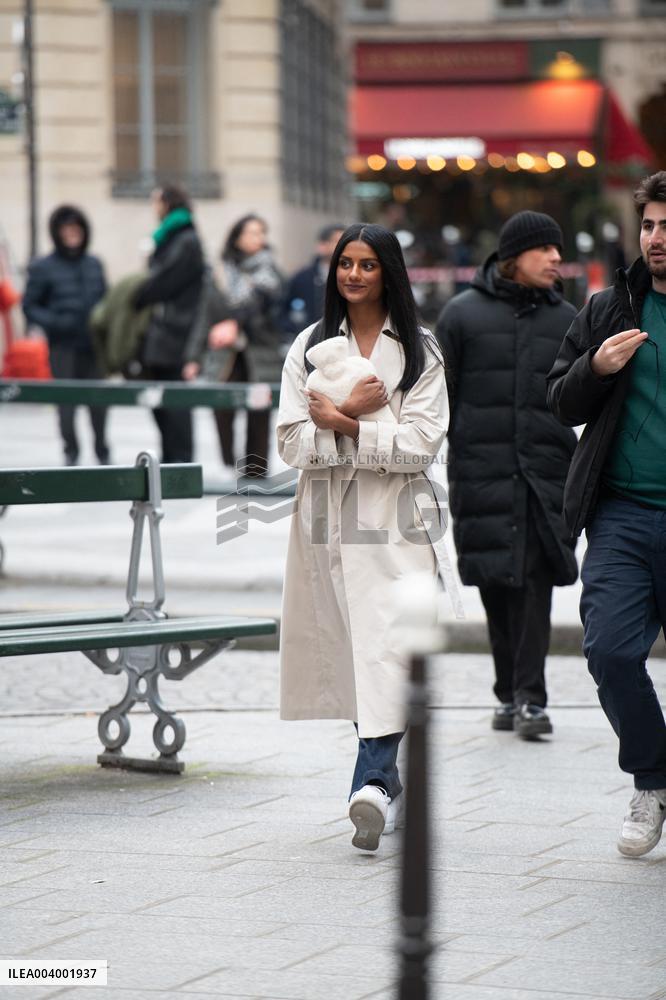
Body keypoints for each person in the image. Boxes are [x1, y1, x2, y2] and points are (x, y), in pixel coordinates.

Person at [277, 223, 448, 853]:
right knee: (357, 652)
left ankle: (372, 784)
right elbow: (292, 442)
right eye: (345, 263)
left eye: (367, 265)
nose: (353, 274)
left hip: (398, 520)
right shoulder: (311, 345)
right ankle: (385, 785)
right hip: (325, 520)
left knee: (387, 647)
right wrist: (344, 415)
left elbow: (420, 446)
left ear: (389, 273)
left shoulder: (423, 350)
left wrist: (343, 421)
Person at [547, 171, 666, 858]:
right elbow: (561, 401)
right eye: (649, 225)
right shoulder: (610, 307)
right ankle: (652, 780)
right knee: (611, 652)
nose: (655, 238)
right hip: (620, 514)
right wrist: (595, 366)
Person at [437, 211, 578, 740]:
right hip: (483, 475)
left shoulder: (568, 317)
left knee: (536, 582)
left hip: (545, 475)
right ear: (516, 255)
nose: (556, 259)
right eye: (546, 249)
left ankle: (531, 701)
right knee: (497, 584)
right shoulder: (460, 316)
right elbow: (438, 403)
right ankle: (506, 694)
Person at [22, 204, 109, 465]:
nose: (72, 234)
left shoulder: (94, 264)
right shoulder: (44, 267)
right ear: (57, 233)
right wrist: (56, 323)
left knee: (100, 402)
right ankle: (71, 452)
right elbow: (30, 306)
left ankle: (102, 451)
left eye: (76, 229)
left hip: (93, 346)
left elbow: (107, 298)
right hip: (63, 346)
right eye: (67, 229)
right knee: (66, 403)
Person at [133, 184, 205, 463]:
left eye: (155, 201)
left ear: (166, 202)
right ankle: (171, 458)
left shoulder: (185, 239)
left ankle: (180, 462)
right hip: (167, 332)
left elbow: (164, 281)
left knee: (174, 401)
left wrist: (138, 295)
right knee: (163, 399)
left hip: (175, 333)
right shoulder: (172, 236)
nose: (153, 207)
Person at [215, 214, 284, 477]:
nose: (259, 238)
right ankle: (226, 462)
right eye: (253, 232)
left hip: (260, 349)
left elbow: (264, 305)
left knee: (259, 407)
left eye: (261, 232)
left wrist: (235, 323)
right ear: (238, 236)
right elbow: (209, 307)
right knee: (222, 404)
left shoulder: (270, 270)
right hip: (227, 352)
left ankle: (256, 468)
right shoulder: (223, 269)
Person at [281, 223, 345, 338]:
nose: (343, 246)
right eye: (337, 241)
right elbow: (284, 311)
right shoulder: (301, 279)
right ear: (322, 246)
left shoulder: (352, 278)